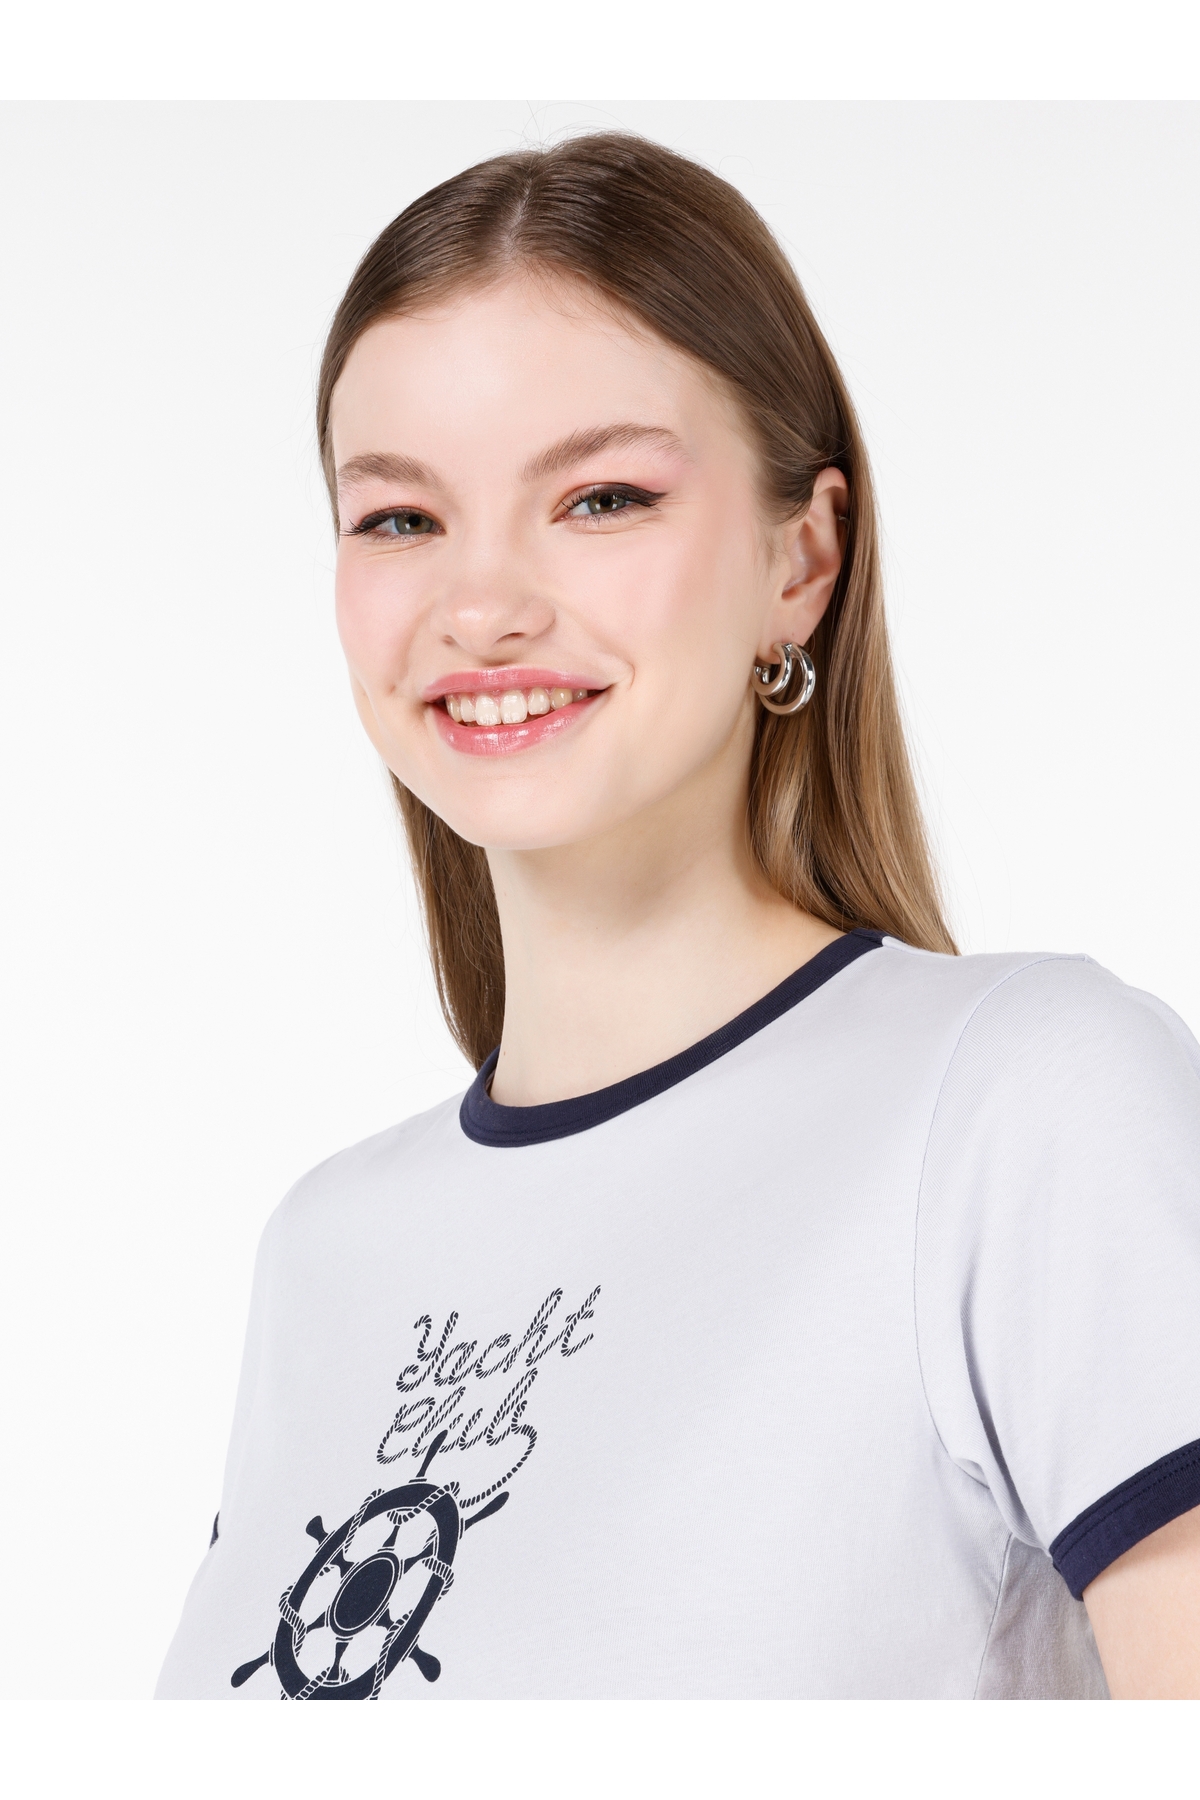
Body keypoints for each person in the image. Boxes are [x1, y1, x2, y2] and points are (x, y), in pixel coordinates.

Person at [155, 132, 1200, 1701]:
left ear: (803, 559)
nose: (480, 606)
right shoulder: (326, 1252)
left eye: (601, 498)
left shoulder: (1026, 1107)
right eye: (400, 519)